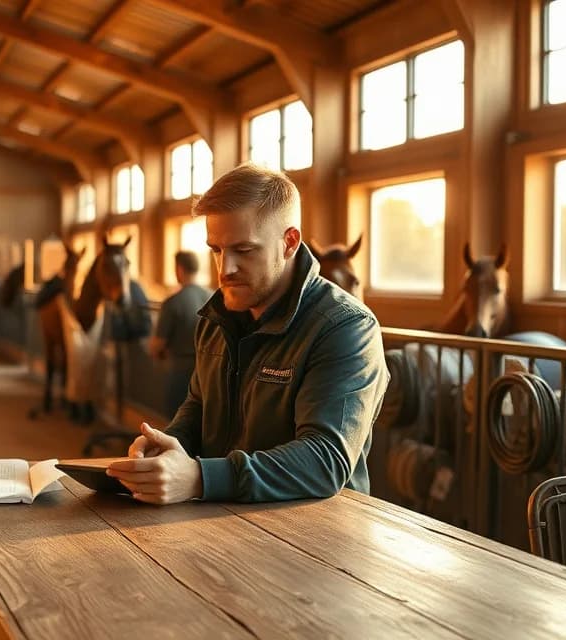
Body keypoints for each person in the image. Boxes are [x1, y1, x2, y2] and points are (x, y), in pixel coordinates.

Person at [106, 163, 387, 504]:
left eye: (244, 250)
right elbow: (198, 406)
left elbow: (324, 460)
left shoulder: (346, 327)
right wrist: (165, 448)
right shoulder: (215, 318)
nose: (225, 269)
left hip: (315, 538)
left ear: (289, 242)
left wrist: (199, 478)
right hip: (219, 522)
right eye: (216, 250)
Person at [148, 251, 211, 418]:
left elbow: (156, 346)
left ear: (179, 269)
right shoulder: (213, 297)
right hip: (209, 373)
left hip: (180, 374)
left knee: (177, 426)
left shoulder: (173, 302)